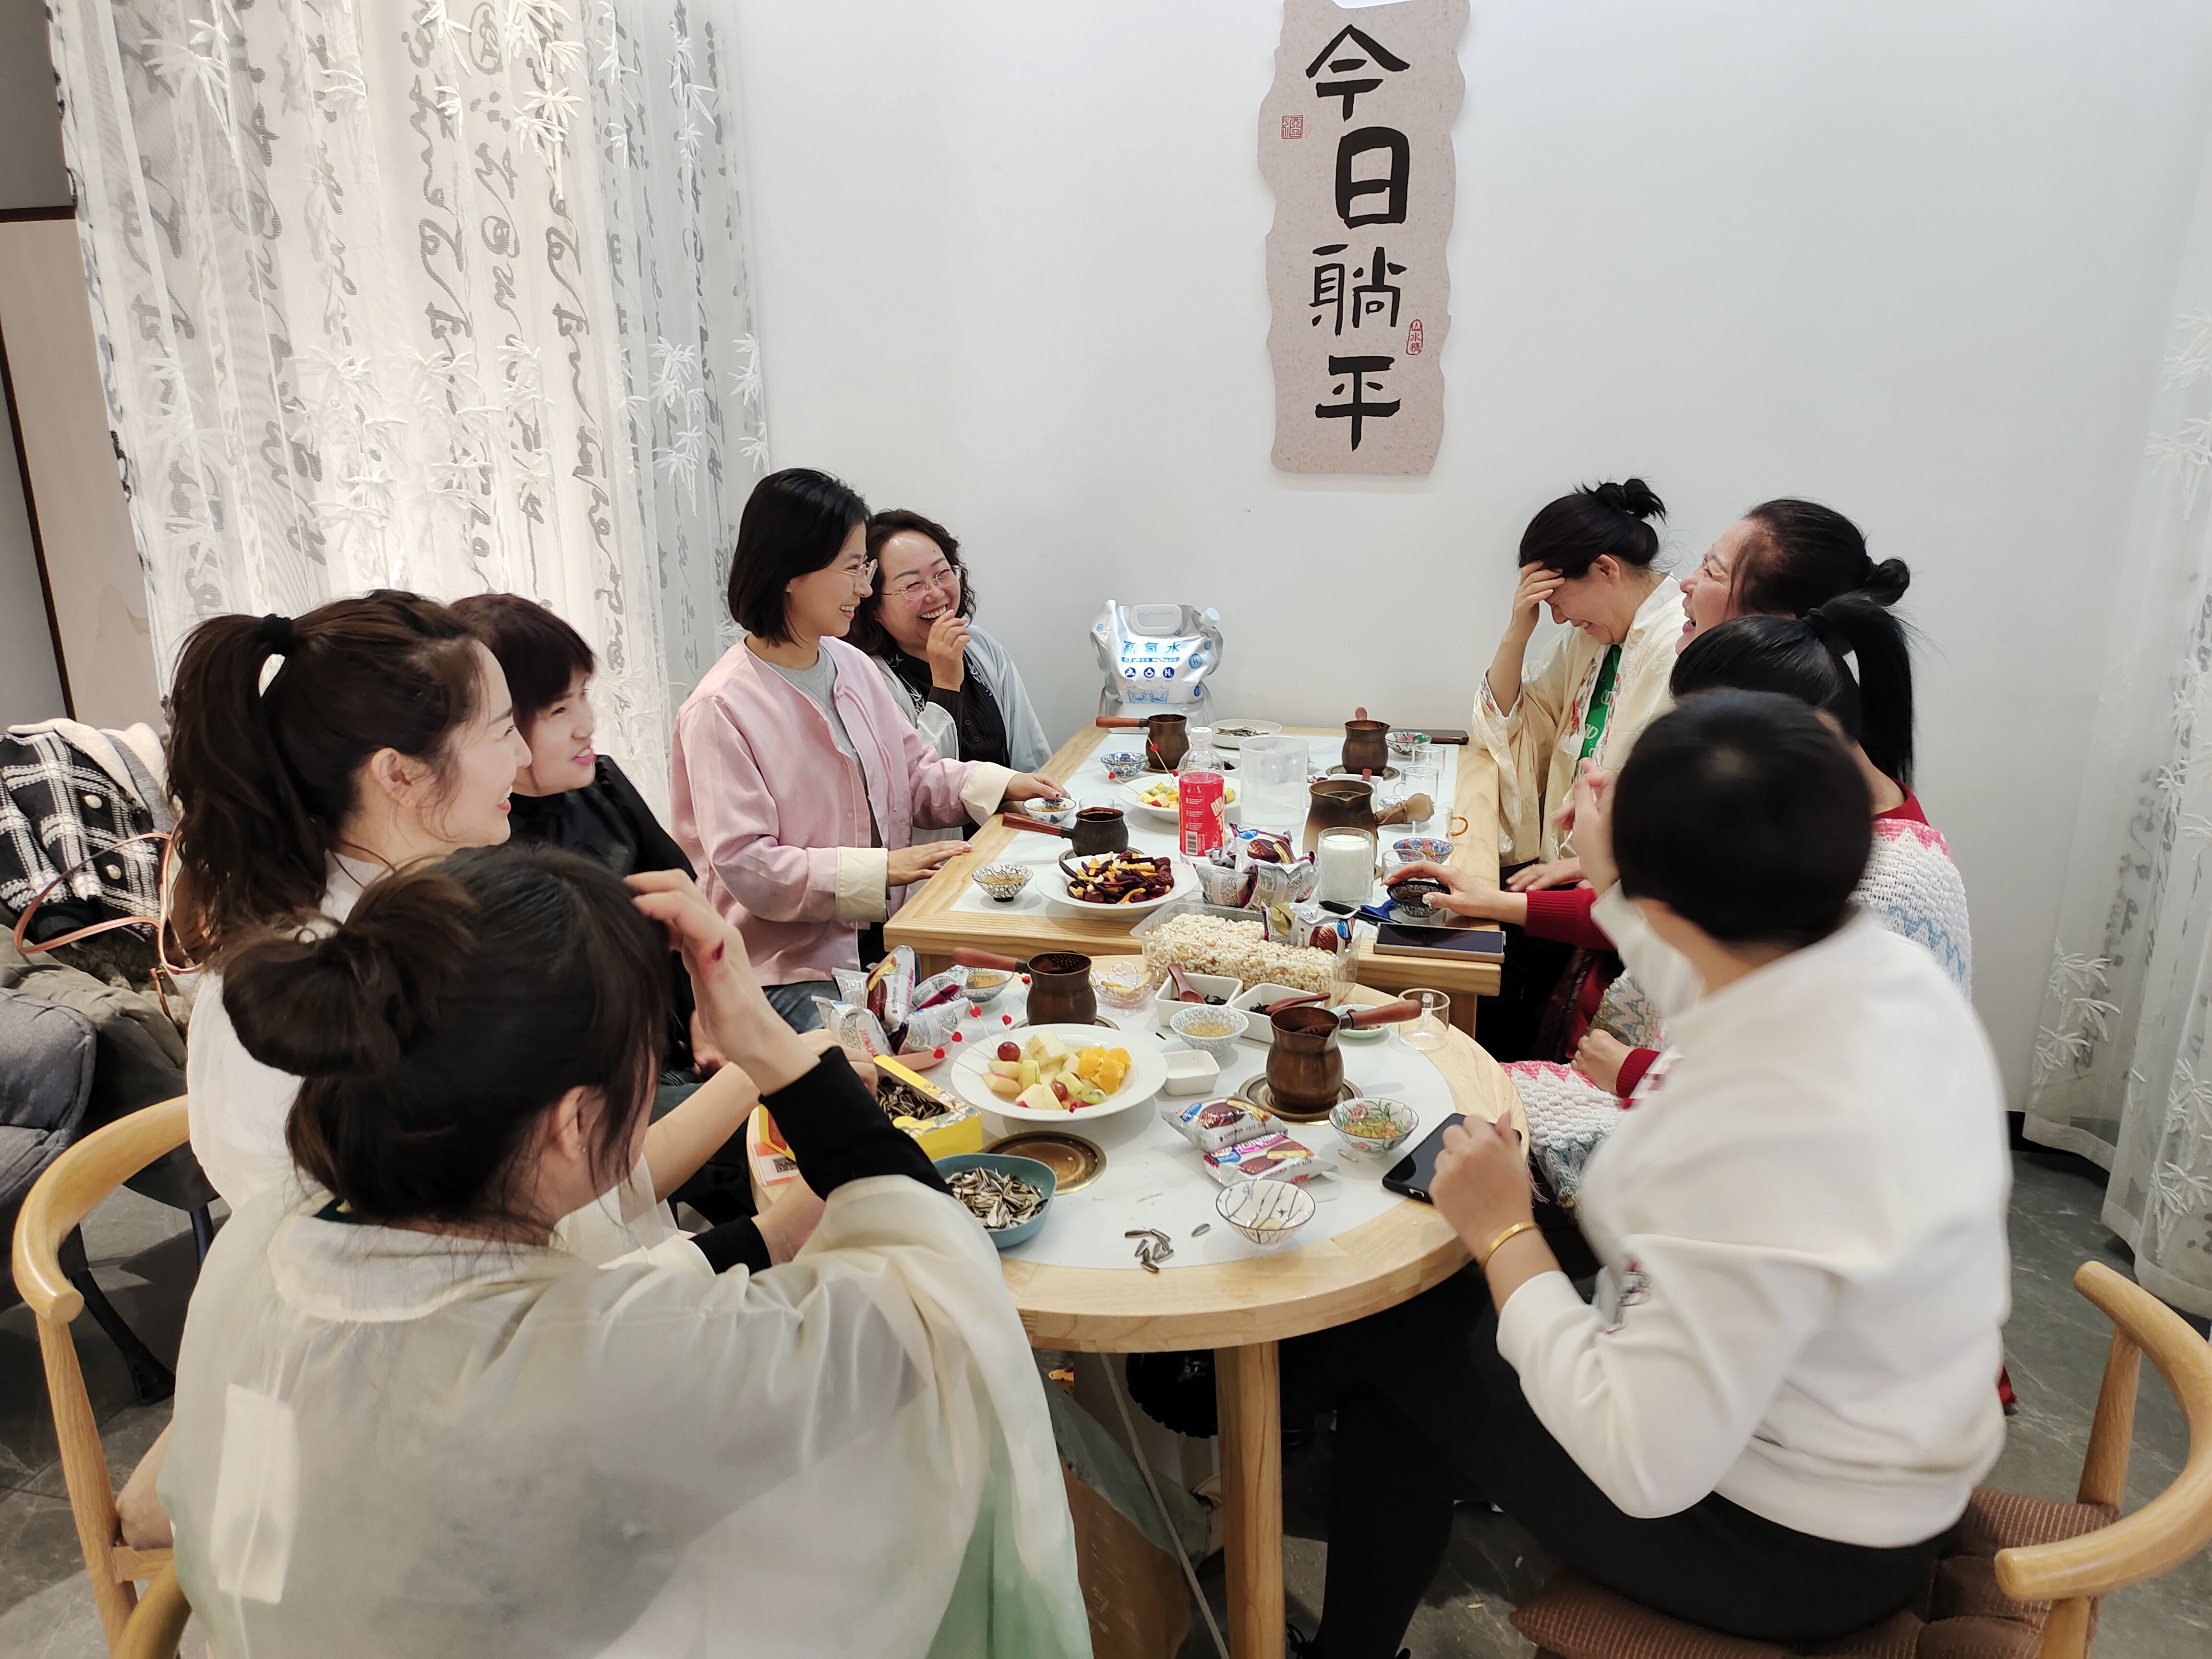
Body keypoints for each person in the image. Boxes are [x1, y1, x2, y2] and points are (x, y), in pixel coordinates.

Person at [158, 848, 1091, 1658]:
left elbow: (563, 1314)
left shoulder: (266, 1239)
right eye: (652, 1054)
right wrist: (768, 1045)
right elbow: (939, 1300)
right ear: (574, 1122)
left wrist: (761, 1237)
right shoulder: (609, 1373)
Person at [1287, 694, 2011, 1657]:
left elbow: (1642, 1461)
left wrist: (1504, 1235)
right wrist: (1614, 873)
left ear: (1666, 904)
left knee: (1404, 1323)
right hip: (1878, 1448)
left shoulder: (1748, 1128)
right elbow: (1698, 963)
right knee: (1427, 1327)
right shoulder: (1879, 964)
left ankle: (1231, 1402)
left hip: (1788, 1542)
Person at [671, 469, 1063, 1030]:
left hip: (886, 944)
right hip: (787, 969)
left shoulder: (849, 664)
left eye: (867, 570)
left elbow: (915, 775)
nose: (863, 588)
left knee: (1014, 1017)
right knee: (883, 1068)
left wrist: (1000, 786)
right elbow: (749, 866)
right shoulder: (721, 708)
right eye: (853, 569)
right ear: (791, 572)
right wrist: (882, 870)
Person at [1470, 480, 1684, 1058]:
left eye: (1559, 602)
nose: (1559, 619)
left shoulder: (1679, 644)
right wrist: (1517, 632)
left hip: (1618, 899)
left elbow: (1670, 810)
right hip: (1562, 873)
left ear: (1606, 570)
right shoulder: (1592, 641)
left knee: (1483, 980)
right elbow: (1520, 725)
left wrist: (1591, 867)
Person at [848, 507, 1053, 777]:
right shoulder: (870, 679)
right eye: (912, 585)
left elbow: (1030, 754)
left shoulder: (981, 646)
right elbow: (918, 785)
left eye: (942, 573)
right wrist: (945, 684)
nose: (935, 593)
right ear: (873, 605)